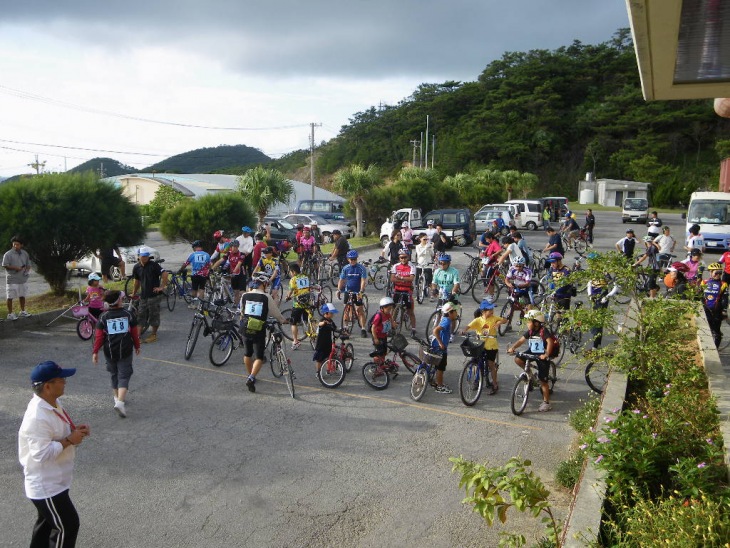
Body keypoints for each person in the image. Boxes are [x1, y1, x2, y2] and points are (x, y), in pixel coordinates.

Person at [18, 360, 91, 548]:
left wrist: (74, 432)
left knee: (46, 526)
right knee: (67, 525)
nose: (65, 381)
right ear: (48, 386)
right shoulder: (37, 416)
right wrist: (69, 440)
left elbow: (56, 433)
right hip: (46, 486)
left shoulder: (53, 402)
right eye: (61, 379)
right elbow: (40, 454)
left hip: (55, 480)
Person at [92, 290, 141, 418]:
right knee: (124, 375)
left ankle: (116, 397)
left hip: (109, 350)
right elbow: (134, 333)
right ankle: (120, 402)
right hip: (125, 349)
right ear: (119, 301)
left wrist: (95, 351)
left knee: (114, 373)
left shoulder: (103, 317)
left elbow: (98, 337)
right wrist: (137, 345)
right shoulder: (128, 314)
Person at [240, 273, 288, 393]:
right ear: (264, 284)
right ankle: (251, 377)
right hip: (258, 329)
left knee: (247, 353)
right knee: (259, 356)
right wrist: (283, 320)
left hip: (245, 327)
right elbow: (275, 312)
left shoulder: (245, 295)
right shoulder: (266, 297)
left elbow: (241, 311)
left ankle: (250, 375)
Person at [507, 309, 555, 412]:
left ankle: (546, 403)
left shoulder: (543, 331)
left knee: (543, 381)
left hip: (542, 354)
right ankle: (530, 376)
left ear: (536, 323)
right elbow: (521, 340)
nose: (527, 324)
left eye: (529, 321)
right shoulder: (530, 331)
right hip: (532, 351)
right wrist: (513, 348)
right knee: (518, 359)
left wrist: (546, 354)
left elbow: (550, 342)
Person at [462, 299, 507, 395]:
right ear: (483, 311)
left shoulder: (494, 318)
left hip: (491, 345)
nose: (492, 311)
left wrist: (499, 322)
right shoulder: (478, 320)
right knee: (476, 361)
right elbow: (468, 326)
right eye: (490, 310)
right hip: (480, 345)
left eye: (492, 309)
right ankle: (476, 379)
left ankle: (495, 384)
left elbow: (505, 320)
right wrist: (464, 330)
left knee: (491, 365)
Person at [131, 246, 168, 343]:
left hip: (154, 296)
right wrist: (134, 293)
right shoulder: (136, 267)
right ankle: (138, 337)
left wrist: (162, 287)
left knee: (154, 315)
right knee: (140, 315)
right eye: (143, 256)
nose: (145, 258)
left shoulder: (154, 265)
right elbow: (136, 282)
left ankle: (153, 334)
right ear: (138, 256)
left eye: (146, 256)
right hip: (143, 296)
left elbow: (165, 274)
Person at [337, 249, 368, 337]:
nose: (353, 261)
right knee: (346, 310)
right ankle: (346, 327)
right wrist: (339, 290)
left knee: (360, 311)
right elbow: (341, 280)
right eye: (351, 259)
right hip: (348, 291)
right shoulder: (346, 268)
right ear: (348, 259)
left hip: (358, 291)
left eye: (354, 259)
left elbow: (363, 280)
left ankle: (363, 328)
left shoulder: (361, 268)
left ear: (357, 259)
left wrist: (361, 291)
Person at [431, 301, 459, 394]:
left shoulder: (446, 319)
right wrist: (440, 343)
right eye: (455, 311)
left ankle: (437, 382)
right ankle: (439, 386)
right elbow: (435, 331)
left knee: (438, 366)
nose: (457, 313)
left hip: (437, 346)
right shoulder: (447, 321)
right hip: (440, 348)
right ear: (450, 313)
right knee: (441, 368)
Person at [3, 235, 32, 320]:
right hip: (12, 279)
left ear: (21, 245)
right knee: (10, 297)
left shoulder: (25, 253)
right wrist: (16, 268)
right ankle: (10, 314)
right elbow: (5, 265)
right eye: (14, 244)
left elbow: (28, 265)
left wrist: (26, 271)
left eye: (17, 244)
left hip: (22, 279)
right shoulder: (8, 254)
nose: (15, 246)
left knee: (22, 295)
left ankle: (22, 311)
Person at [390, 248, 417, 337]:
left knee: (410, 311)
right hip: (397, 289)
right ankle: (392, 327)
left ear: (408, 257)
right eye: (401, 258)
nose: (403, 259)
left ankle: (413, 329)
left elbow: (411, 278)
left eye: (405, 257)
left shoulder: (411, 266)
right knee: (393, 309)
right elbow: (392, 278)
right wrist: (404, 278)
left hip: (407, 290)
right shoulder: (396, 266)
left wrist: (400, 278)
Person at [284, 263, 310, 350]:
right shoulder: (305, 277)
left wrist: (287, 297)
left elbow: (290, 291)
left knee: (293, 323)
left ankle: (295, 341)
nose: (290, 273)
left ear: (293, 272)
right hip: (307, 302)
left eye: (290, 272)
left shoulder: (293, 279)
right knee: (306, 319)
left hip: (298, 304)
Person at [701, 263, 728, 347]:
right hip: (706, 308)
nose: (718, 275)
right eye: (716, 273)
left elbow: (725, 298)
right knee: (707, 327)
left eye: (720, 273)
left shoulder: (724, 284)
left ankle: (715, 348)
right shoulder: (704, 282)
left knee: (716, 330)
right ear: (711, 272)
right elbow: (699, 295)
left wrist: (724, 310)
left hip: (717, 309)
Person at [179, 240, 211, 308]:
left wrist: (180, 270)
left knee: (194, 289)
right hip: (203, 275)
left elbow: (185, 263)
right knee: (202, 288)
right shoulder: (207, 254)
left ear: (195, 247)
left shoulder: (192, 255)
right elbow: (209, 265)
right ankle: (201, 304)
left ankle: (193, 304)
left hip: (195, 274)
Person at [313, 303, 338, 377]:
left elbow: (334, 328)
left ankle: (328, 370)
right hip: (321, 343)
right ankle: (318, 372)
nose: (333, 314)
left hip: (328, 342)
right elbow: (319, 324)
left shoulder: (330, 321)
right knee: (319, 359)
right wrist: (323, 323)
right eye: (331, 313)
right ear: (326, 313)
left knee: (328, 357)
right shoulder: (323, 320)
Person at [414, 233, 435, 301]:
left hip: (427, 265)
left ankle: (432, 295)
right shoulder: (418, 246)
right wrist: (425, 248)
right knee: (417, 281)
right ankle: (418, 293)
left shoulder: (429, 246)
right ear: (420, 239)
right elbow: (419, 254)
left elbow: (432, 254)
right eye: (424, 239)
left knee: (429, 281)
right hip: (420, 264)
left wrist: (430, 248)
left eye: (427, 239)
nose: (426, 240)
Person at [225, 239, 246, 307]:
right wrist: (212, 268)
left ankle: (244, 306)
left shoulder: (242, 254)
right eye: (233, 246)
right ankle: (236, 304)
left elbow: (239, 264)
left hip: (241, 275)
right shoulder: (229, 254)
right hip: (233, 275)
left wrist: (234, 271)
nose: (235, 248)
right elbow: (221, 261)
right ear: (231, 247)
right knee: (235, 291)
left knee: (242, 292)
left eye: (236, 247)